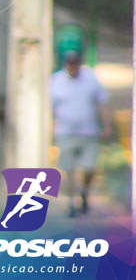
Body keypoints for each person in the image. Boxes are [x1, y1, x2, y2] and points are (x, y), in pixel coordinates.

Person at [50, 49, 112, 217]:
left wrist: (107, 126)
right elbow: (50, 108)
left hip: (89, 131)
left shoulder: (90, 79)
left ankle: (84, 192)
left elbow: (102, 102)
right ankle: (71, 201)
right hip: (66, 131)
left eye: (75, 63)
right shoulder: (56, 81)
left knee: (89, 167)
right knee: (68, 169)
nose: (73, 67)